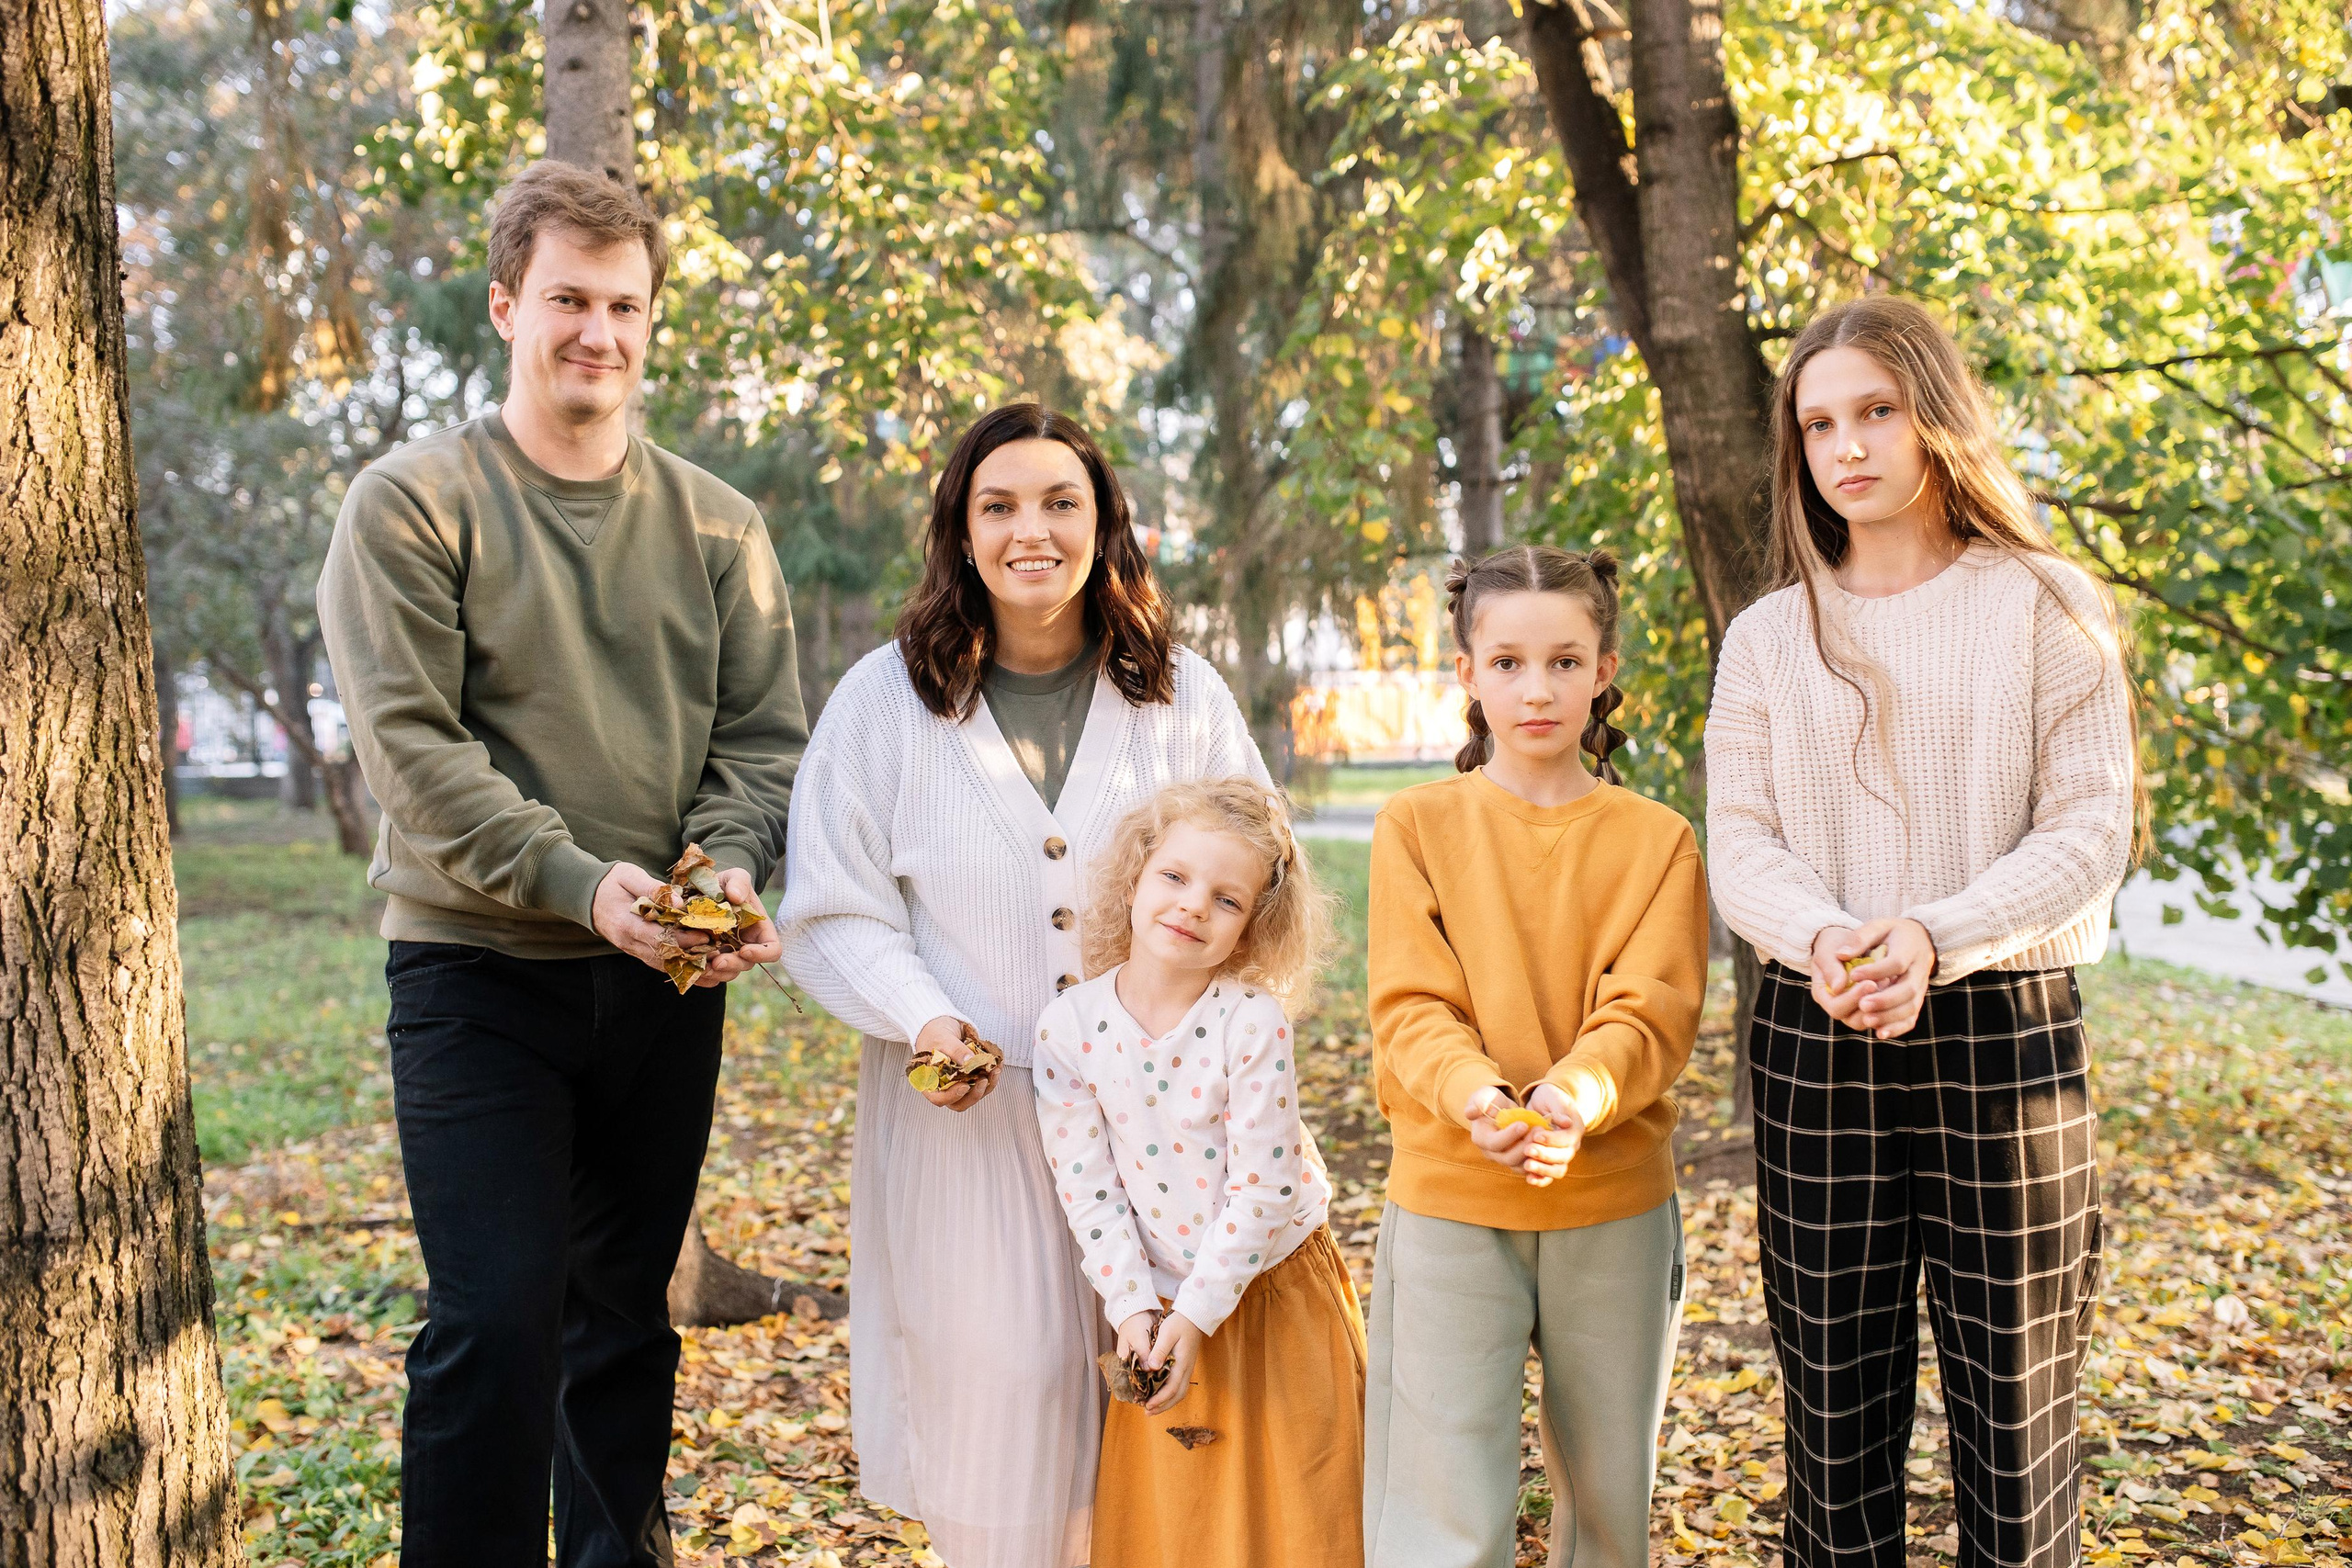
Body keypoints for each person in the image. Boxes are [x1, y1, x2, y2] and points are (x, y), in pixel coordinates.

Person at [316, 161, 806, 1565]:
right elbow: (415, 752)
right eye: (568, 299)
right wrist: (584, 882)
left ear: (651, 318)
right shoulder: (412, 504)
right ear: (505, 306)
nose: (598, 330)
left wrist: (725, 862)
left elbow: (761, 739)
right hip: (479, 972)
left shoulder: (719, 526)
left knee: (624, 1320)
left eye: (624, 304)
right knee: (496, 1320)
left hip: (665, 981)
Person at [776, 403, 1269, 1568]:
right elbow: (832, 904)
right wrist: (924, 1019)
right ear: (961, 530)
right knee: (1001, 1405)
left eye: (1060, 502)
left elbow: (1260, 873)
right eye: (997, 506)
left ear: (1106, 524)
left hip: (1161, 1134)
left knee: (1157, 1406)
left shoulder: (1180, 698)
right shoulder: (885, 702)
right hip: (971, 1132)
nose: (1029, 531)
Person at [1705, 295, 2140, 1568]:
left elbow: (2089, 830)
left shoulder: (2047, 604)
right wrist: (1833, 941)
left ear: (1935, 415)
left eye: (1877, 411)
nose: (1846, 446)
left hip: (2006, 1031)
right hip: (1818, 1022)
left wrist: (1934, 938)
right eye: (1818, 423)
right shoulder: (1767, 636)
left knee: (2020, 1421)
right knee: (1832, 1425)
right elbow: (1740, 842)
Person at [1363, 544, 1707, 1568]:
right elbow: (1411, 1007)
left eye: (1564, 661)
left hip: (1612, 1197)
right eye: (1507, 663)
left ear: (1603, 671)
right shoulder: (1415, 825)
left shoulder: (1658, 840)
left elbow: (1651, 1014)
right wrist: (1480, 1100)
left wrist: (1571, 1099)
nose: (1538, 689)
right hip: (1450, 1194)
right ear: (1466, 672)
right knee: (1441, 1504)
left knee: (1608, 1503)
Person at [1032, 779, 1361, 1568]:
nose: (1192, 906)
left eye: (1226, 899)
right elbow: (1088, 1188)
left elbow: (1264, 1188)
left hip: (1275, 1287)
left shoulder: (1250, 1022)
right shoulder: (1069, 1027)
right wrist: (1133, 1307)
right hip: (1157, 1302)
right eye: (1174, 876)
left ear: (1252, 927)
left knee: (1300, 1502)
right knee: (1181, 1517)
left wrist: (1198, 1312)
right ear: (1135, 878)